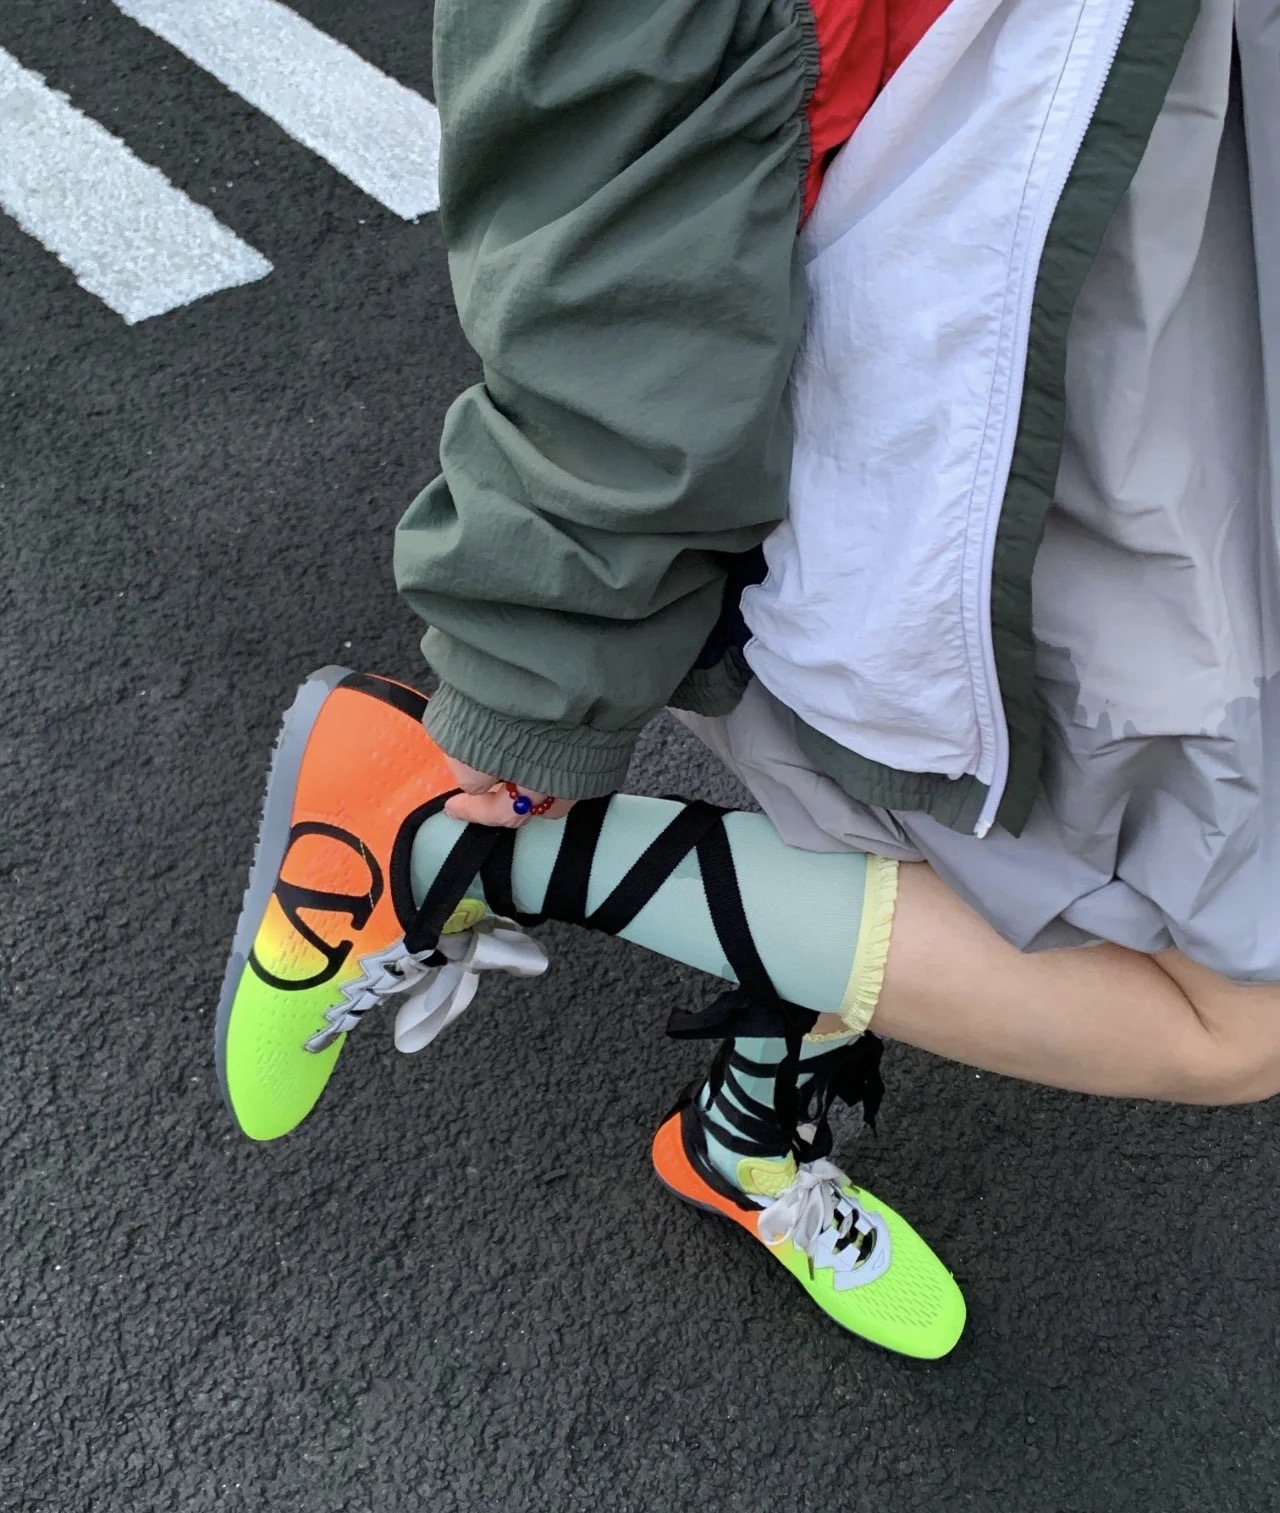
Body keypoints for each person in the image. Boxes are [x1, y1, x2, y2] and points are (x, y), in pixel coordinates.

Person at [217, 0, 1279, 1359]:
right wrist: (530, 672)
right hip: (1004, 397)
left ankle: (743, 1123)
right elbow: (620, 194)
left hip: (1124, 335)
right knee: (1227, 1005)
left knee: (929, 822)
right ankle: (442, 851)